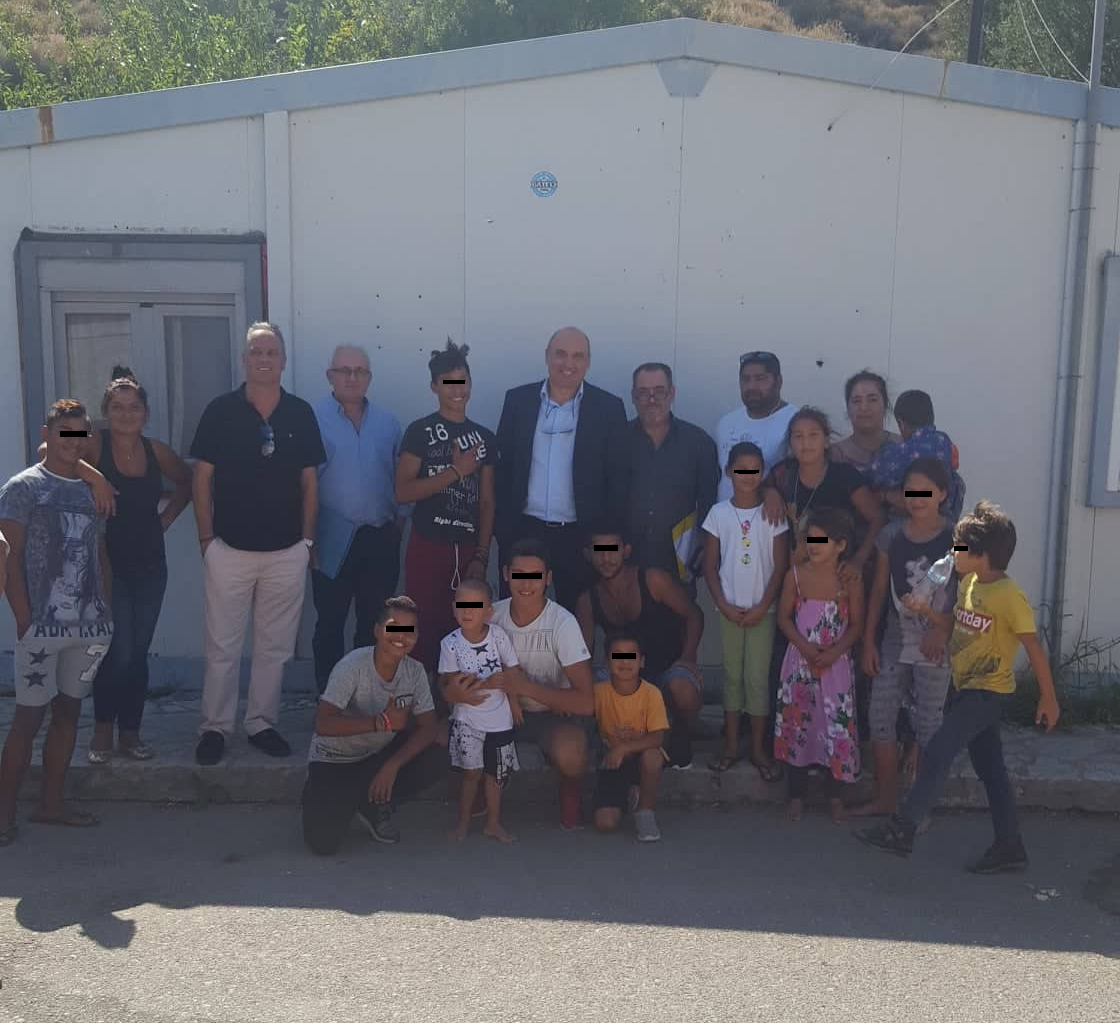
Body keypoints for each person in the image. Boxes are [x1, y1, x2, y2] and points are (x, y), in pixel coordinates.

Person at [856, 501, 1061, 874]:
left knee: (938, 751)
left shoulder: (1008, 595)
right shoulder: (968, 584)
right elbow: (954, 625)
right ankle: (1010, 846)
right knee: (992, 771)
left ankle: (903, 829)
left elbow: (1032, 645)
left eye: (960, 548)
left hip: (988, 692)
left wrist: (1048, 698)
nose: (952, 553)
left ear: (982, 554)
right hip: (965, 688)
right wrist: (925, 612)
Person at [191, 322, 326, 765]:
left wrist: (307, 541)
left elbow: (310, 483)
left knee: (274, 648)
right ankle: (215, 728)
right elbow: (202, 478)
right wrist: (206, 539)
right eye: (256, 352)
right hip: (228, 550)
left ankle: (261, 723)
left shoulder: (300, 413)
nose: (264, 359)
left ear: (283, 360)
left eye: (271, 352)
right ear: (244, 359)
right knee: (222, 647)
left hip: (287, 551)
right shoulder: (220, 411)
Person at [0, 399, 114, 846]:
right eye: (65, 431)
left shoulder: (91, 490)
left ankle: (52, 805)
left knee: (69, 714)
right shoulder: (22, 488)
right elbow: (8, 558)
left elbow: (99, 555)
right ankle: (3, 814)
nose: (74, 440)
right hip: (41, 629)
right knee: (28, 718)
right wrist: (23, 617)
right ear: (46, 434)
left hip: (87, 628)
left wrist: (105, 610)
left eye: (81, 432)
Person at [73, 368, 192, 763]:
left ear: (146, 413)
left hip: (151, 565)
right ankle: (102, 731)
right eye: (118, 407)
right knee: (116, 651)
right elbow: (48, 451)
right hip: (108, 565)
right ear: (106, 412)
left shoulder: (157, 451)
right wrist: (96, 479)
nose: (127, 414)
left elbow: (188, 481)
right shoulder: (94, 443)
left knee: (138, 653)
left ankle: (131, 734)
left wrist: (167, 518)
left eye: (134, 407)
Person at [447, 538, 593, 830]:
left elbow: (587, 703)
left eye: (535, 576)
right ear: (505, 574)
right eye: (518, 575)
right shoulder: (490, 614)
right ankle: (478, 786)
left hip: (550, 715)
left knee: (572, 752)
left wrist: (524, 687)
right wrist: (454, 691)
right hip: (494, 711)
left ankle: (570, 788)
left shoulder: (563, 623)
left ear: (548, 578)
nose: (526, 584)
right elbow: (449, 679)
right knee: (446, 737)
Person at [495, 327, 628, 610]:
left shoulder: (609, 408)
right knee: (518, 614)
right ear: (547, 356)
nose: (568, 363)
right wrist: (503, 531)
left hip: (580, 537)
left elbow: (617, 479)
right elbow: (502, 469)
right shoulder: (517, 401)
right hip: (524, 532)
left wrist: (602, 543)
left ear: (588, 361)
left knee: (578, 618)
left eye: (578, 356)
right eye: (561, 354)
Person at [852, 458, 956, 818]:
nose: (917, 499)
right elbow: (879, 590)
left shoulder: (958, 538)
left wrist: (942, 632)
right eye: (911, 491)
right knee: (880, 715)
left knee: (929, 724)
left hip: (936, 643)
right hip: (896, 639)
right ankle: (885, 799)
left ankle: (919, 808)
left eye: (926, 491)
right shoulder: (891, 535)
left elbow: (970, 591)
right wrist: (868, 641)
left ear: (943, 494)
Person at [302, 596, 443, 855]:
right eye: (394, 626)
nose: (401, 636)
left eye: (409, 630)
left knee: (443, 749)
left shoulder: (415, 671)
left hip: (375, 757)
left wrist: (392, 765)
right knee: (324, 844)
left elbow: (429, 727)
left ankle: (373, 804)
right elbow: (322, 723)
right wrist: (380, 722)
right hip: (334, 759)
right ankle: (330, 795)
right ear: (377, 630)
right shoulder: (352, 666)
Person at [396, 339, 497, 673]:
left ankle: (460, 697)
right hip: (428, 542)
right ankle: (423, 698)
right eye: (448, 382)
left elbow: (487, 501)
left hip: (467, 547)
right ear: (434, 386)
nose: (457, 389)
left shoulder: (484, 437)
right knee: (423, 624)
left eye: (462, 380)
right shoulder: (419, 431)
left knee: (468, 623)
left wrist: (482, 555)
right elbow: (403, 491)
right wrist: (455, 471)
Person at [311, 345, 403, 694]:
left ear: (369, 377)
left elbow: (400, 476)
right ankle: (330, 698)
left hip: (378, 537)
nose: (352, 378)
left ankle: (366, 696)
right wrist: (308, 538)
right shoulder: (313, 419)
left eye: (360, 371)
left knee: (374, 623)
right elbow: (303, 482)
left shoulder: (388, 423)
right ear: (330, 376)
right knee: (330, 622)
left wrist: (399, 524)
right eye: (344, 371)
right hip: (330, 537)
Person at [575, 522, 704, 768]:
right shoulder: (588, 600)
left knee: (683, 688)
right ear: (587, 554)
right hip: (624, 674)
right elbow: (583, 655)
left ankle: (680, 736)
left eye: (612, 550)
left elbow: (694, 614)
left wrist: (688, 657)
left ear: (626, 550)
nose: (606, 558)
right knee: (589, 685)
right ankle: (606, 745)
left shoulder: (652, 579)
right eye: (598, 551)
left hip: (667, 670)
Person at [702, 442, 789, 779]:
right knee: (732, 677)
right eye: (741, 469)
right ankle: (730, 746)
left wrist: (763, 606)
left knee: (756, 679)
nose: (748, 476)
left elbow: (780, 566)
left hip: (763, 613)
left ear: (763, 473)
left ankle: (757, 749)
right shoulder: (718, 514)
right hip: (728, 611)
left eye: (755, 469)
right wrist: (723, 605)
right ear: (729, 472)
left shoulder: (773, 514)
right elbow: (710, 566)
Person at [774, 508, 864, 824]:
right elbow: (783, 618)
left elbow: (856, 625)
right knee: (798, 727)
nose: (814, 546)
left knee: (835, 728)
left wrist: (834, 652)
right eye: (810, 539)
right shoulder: (795, 576)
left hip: (836, 667)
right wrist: (805, 647)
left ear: (840, 545)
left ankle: (836, 797)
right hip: (799, 665)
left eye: (822, 540)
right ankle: (796, 795)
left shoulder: (849, 580)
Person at [616, 362, 719, 582]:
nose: (651, 399)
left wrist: (705, 547)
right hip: (624, 561)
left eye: (659, 391)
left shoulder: (699, 443)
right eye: (643, 392)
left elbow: (710, 501)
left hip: (678, 561)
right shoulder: (616, 440)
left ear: (672, 393)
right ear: (633, 396)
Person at [439, 579, 521, 844]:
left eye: (475, 605)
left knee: (495, 777)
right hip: (467, 720)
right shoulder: (449, 644)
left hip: (500, 719)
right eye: (462, 604)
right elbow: (452, 683)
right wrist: (486, 683)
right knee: (471, 774)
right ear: (453, 608)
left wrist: (514, 702)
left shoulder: (498, 636)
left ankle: (493, 824)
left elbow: (512, 670)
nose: (467, 611)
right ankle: (462, 824)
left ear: (488, 611)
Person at [592, 630, 670, 842]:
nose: (625, 662)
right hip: (612, 761)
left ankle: (645, 811)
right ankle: (628, 795)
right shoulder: (598, 692)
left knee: (653, 756)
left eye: (631, 656)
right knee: (605, 823)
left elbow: (657, 738)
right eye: (618, 655)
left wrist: (624, 747)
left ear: (642, 661)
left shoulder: (652, 694)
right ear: (607, 662)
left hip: (641, 758)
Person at [713, 351, 798, 504]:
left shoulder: (795, 421)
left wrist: (770, 491)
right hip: (723, 516)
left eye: (760, 378)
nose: (752, 386)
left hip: (769, 517)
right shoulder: (726, 423)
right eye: (745, 379)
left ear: (778, 381)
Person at [868, 389, 965, 521]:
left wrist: (885, 494)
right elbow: (954, 465)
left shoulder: (902, 451)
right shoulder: (944, 440)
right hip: (946, 510)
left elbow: (875, 476)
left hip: (917, 513)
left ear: (901, 424)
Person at [831, 371, 901, 474]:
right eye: (856, 401)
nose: (864, 407)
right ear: (848, 409)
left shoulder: (905, 448)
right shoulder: (834, 455)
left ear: (885, 405)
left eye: (872, 400)